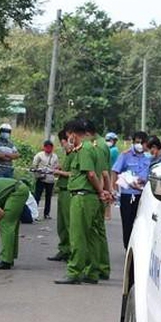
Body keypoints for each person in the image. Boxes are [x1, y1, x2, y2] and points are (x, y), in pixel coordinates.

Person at [55, 119, 108, 285]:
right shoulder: (95, 148)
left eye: (68, 135)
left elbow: (91, 174)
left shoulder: (84, 150)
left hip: (83, 196)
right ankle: (93, 272)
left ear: (71, 134)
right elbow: (103, 173)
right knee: (93, 236)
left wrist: (100, 191)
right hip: (92, 198)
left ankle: (74, 271)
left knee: (77, 236)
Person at [111, 131, 151, 250]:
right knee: (127, 223)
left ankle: (138, 246)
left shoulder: (148, 158)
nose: (139, 145)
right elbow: (115, 171)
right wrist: (114, 189)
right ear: (133, 143)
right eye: (137, 142)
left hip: (142, 195)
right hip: (128, 194)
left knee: (140, 222)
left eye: (141, 143)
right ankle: (128, 247)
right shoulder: (126, 155)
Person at [85, 120, 111, 280]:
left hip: (95, 194)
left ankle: (96, 268)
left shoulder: (96, 146)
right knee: (98, 232)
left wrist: (103, 192)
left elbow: (101, 173)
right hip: (100, 193)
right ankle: (102, 267)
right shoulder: (100, 144)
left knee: (93, 233)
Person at [47, 130, 72, 262]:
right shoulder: (67, 154)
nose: (63, 145)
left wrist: (58, 172)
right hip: (62, 189)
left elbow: (74, 173)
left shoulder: (76, 153)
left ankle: (72, 252)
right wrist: (59, 169)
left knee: (69, 223)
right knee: (61, 224)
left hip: (69, 190)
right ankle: (64, 249)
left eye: (63, 142)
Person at [32, 140, 59, 219]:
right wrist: (39, 170)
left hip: (50, 179)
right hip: (41, 178)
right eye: (47, 147)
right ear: (44, 147)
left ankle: (46, 214)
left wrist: (56, 169)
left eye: (50, 147)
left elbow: (57, 166)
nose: (48, 149)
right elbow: (34, 165)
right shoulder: (39, 155)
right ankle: (34, 213)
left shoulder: (55, 156)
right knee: (37, 196)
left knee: (48, 197)